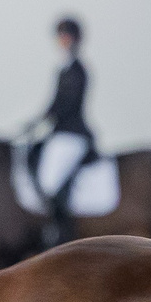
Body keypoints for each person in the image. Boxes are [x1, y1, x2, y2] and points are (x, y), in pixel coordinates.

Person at [33, 16, 96, 248]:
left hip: (72, 134)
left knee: (50, 182)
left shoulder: (78, 70)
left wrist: (50, 116)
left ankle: (61, 230)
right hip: (59, 132)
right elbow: (53, 103)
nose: (63, 40)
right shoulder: (63, 69)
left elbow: (67, 104)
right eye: (60, 35)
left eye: (66, 35)